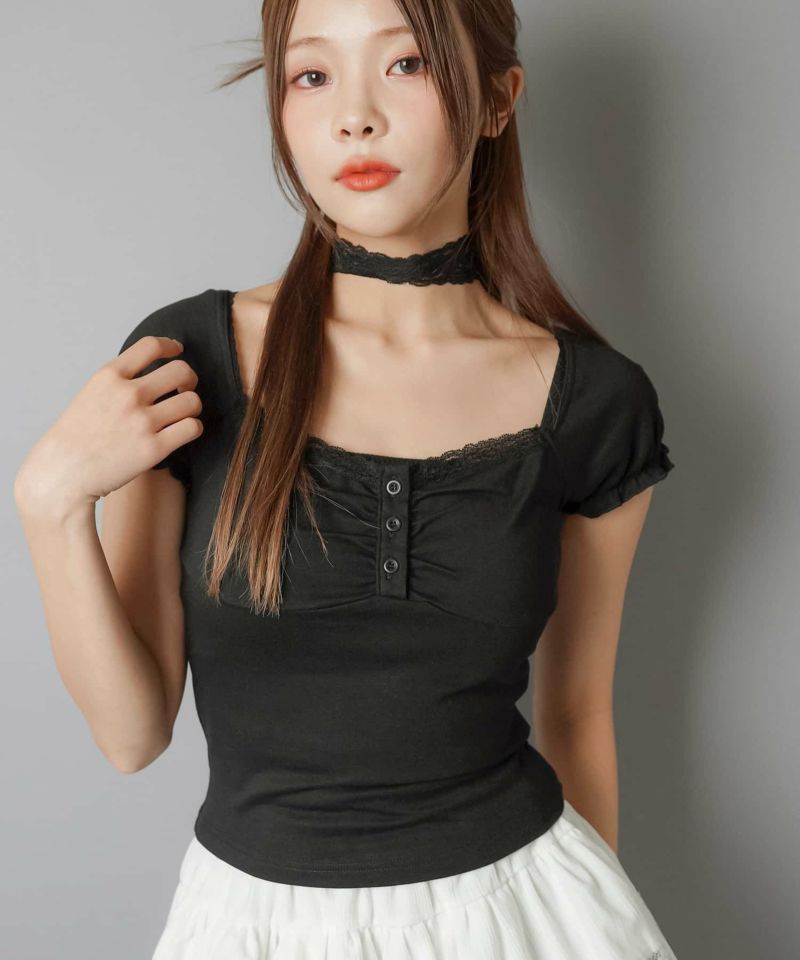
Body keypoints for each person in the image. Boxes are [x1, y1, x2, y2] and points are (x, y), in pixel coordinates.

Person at [14, 0, 680, 957]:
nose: (353, 117)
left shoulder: (596, 402)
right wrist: (48, 506)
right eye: (312, 75)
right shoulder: (187, 360)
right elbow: (131, 736)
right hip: (255, 926)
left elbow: (577, 716)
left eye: (406, 65)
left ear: (499, 100)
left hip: (526, 914)